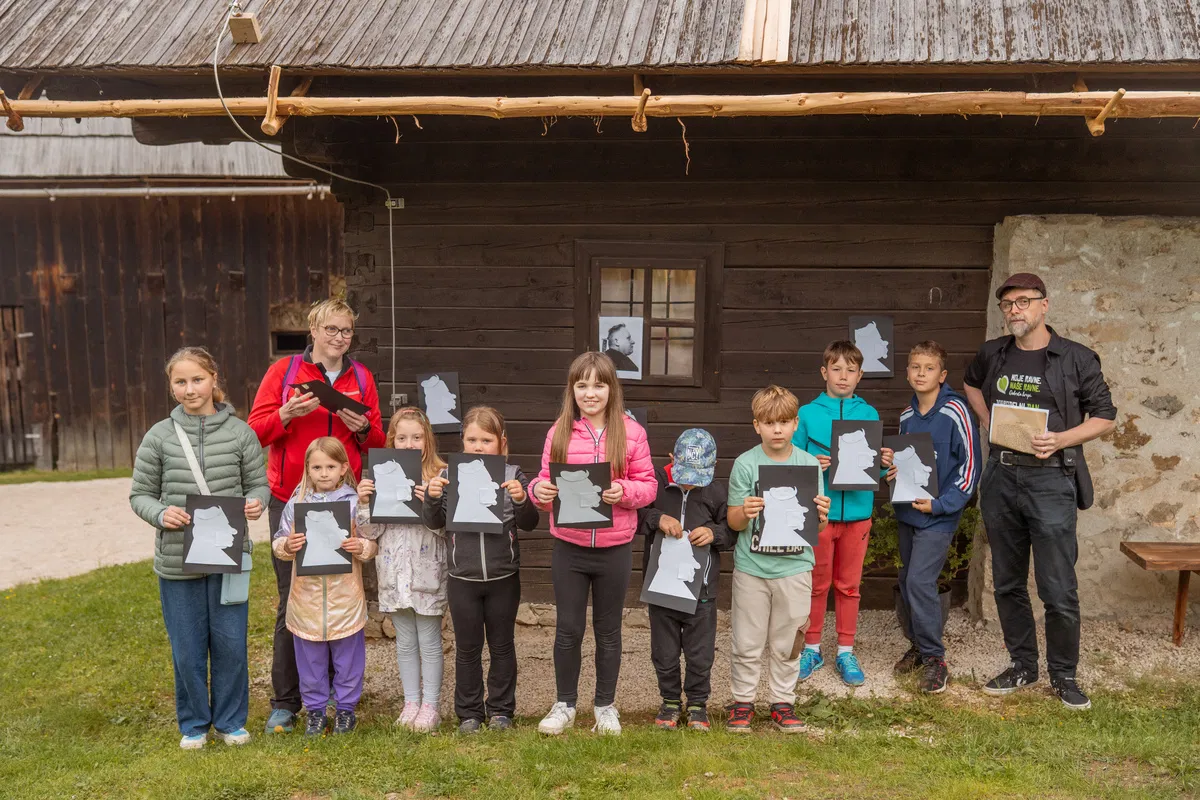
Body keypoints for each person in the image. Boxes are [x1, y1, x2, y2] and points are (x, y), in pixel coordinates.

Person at [963, 273, 1117, 710]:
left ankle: (1064, 675)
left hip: (1051, 480)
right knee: (1008, 582)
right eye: (1008, 304)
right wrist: (988, 420)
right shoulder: (993, 353)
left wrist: (1062, 438)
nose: (1015, 310)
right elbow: (972, 384)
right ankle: (1022, 666)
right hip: (1002, 476)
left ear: (1044, 305)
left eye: (1024, 302)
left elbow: (1105, 417)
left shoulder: (1076, 358)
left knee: (1058, 586)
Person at [247, 298, 385, 735]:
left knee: (343, 596)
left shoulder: (361, 377)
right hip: (291, 499)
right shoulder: (284, 373)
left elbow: (378, 439)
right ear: (313, 329)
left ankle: (338, 699)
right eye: (331, 329)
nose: (339, 338)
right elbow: (253, 432)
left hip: (344, 503)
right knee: (294, 599)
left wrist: (360, 426)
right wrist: (286, 414)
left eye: (346, 331)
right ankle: (287, 703)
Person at [129, 347, 269, 749]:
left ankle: (230, 721)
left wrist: (258, 502)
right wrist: (160, 514)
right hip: (178, 560)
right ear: (171, 386)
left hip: (229, 558)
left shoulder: (241, 433)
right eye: (180, 382)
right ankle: (193, 724)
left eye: (197, 379)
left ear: (213, 378)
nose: (190, 389)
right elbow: (140, 494)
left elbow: (258, 484)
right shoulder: (159, 436)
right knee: (187, 648)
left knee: (230, 644)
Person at [528, 352, 657, 736]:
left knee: (608, 630)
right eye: (581, 384)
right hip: (570, 546)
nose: (590, 392)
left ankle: (605, 705)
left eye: (598, 384)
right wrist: (541, 491)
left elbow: (648, 485)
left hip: (615, 548)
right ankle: (565, 704)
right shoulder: (560, 432)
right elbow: (540, 482)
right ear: (572, 390)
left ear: (611, 388)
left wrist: (625, 491)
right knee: (568, 629)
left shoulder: (632, 432)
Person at [423, 407, 540, 733]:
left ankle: (502, 711)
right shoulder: (449, 478)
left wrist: (521, 500)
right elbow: (434, 522)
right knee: (468, 648)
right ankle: (469, 714)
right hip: (463, 579)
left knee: (503, 646)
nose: (478, 446)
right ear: (462, 442)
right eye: (472, 439)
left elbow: (530, 523)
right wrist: (432, 498)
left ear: (502, 443)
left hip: (504, 578)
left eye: (486, 440)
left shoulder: (514, 475)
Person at [726, 385, 830, 734]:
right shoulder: (745, 464)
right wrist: (745, 510)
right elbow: (733, 521)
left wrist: (824, 516)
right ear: (757, 425)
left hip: (795, 567)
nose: (777, 430)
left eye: (784, 422)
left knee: (789, 642)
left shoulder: (809, 465)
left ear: (795, 424)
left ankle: (782, 703)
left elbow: (817, 522)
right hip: (753, 569)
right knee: (747, 640)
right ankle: (742, 703)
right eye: (769, 423)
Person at [884, 341, 981, 694]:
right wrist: (890, 470)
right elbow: (907, 466)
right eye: (915, 367)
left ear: (941, 375)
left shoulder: (956, 411)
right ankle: (919, 647)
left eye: (929, 368)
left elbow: (970, 467)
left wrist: (941, 504)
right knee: (908, 577)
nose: (921, 373)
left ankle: (936, 660)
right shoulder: (907, 417)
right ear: (908, 372)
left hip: (938, 516)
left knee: (920, 583)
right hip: (908, 513)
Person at [274, 437, 376, 736]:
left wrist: (360, 546)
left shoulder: (355, 503)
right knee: (310, 662)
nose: (323, 473)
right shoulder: (297, 504)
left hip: (345, 597)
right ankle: (315, 711)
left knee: (348, 659)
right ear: (307, 468)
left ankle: (346, 710)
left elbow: (372, 540)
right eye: (316, 467)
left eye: (330, 466)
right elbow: (279, 541)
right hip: (306, 599)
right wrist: (287, 545)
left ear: (344, 468)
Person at [793, 341, 880, 687]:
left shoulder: (869, 414)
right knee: (816, 584)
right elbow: (790, 460)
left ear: (860, 376)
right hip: (819, 513)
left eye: (851, 370)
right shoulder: (808, 413)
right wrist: (809, 464)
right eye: (836, 368)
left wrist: (884, 462)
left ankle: (845, 650)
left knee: (849, 586)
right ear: (824, 372)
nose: (843, 376)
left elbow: (872, 464)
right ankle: (811, 648)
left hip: (858, 512)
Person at [356, 407, 448, 733]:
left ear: (428, 440)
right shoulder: (383, 476)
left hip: (427, 573)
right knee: (405, 641)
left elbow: (447, 530)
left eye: (417, 437)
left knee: (429, 640)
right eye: (402, 437)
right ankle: (411, 701)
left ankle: (431, 705)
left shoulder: (440, 476)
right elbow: (370, 533)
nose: (410, 444)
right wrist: (364, 504)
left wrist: (432, 504)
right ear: (392, 440)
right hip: (394, 574)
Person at [636, 428, 732, 732]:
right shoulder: (656, 484)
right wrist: (657, 519)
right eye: (684, 473)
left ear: (713, 468)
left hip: (701, 591)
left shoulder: (717, 492)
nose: (689, 481)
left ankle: (697, 704)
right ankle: (669, 702)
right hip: (662, 588)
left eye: (697, 476)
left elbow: (731, 531)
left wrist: (714, 534)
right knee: (663, 651)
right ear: (670, 460)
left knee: (700, 653)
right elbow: (634, 515)